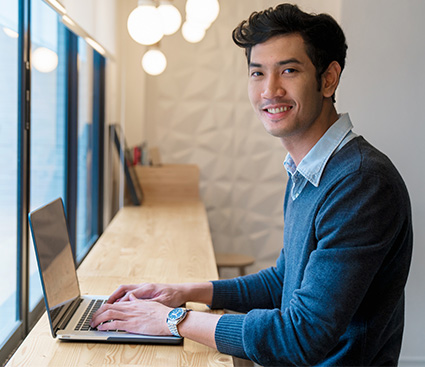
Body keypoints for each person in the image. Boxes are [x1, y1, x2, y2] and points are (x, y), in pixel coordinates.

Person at [91, 3, 413, 366]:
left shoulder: (360, 183)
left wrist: (174, 320)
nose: (269, 90)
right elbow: (282, 282)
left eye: (288, 70)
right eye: (257, 73)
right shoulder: (308, 170)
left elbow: (301, 336)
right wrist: (180, 293)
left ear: (328, 79)